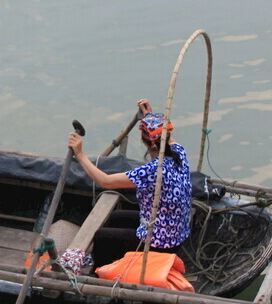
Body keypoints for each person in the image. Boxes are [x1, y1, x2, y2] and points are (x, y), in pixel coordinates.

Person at [68, 99, 192, 266]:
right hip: (177, 233)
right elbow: (164, 136)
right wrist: (149, 116)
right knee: (117, 217)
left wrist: (80, 154)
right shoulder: (179, 152)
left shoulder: (153, 171)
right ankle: (118, 256)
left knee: (101, 236)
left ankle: (100, 272)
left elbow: (105, 181)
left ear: (144, 142)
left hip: (160, 244)